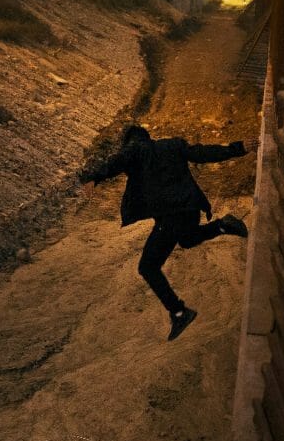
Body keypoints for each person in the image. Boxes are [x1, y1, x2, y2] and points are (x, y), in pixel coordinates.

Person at [80, 124, 258, 341]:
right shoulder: (172, 145)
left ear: (130, 142)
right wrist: (238, 148)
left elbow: (117, 162)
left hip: (171, 215)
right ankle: (224, 225)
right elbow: (202, 153)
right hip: (190, 209)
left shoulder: (135, 149)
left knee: (147, 266)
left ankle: (179, 312)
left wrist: (93, 177)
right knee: (187, 239)